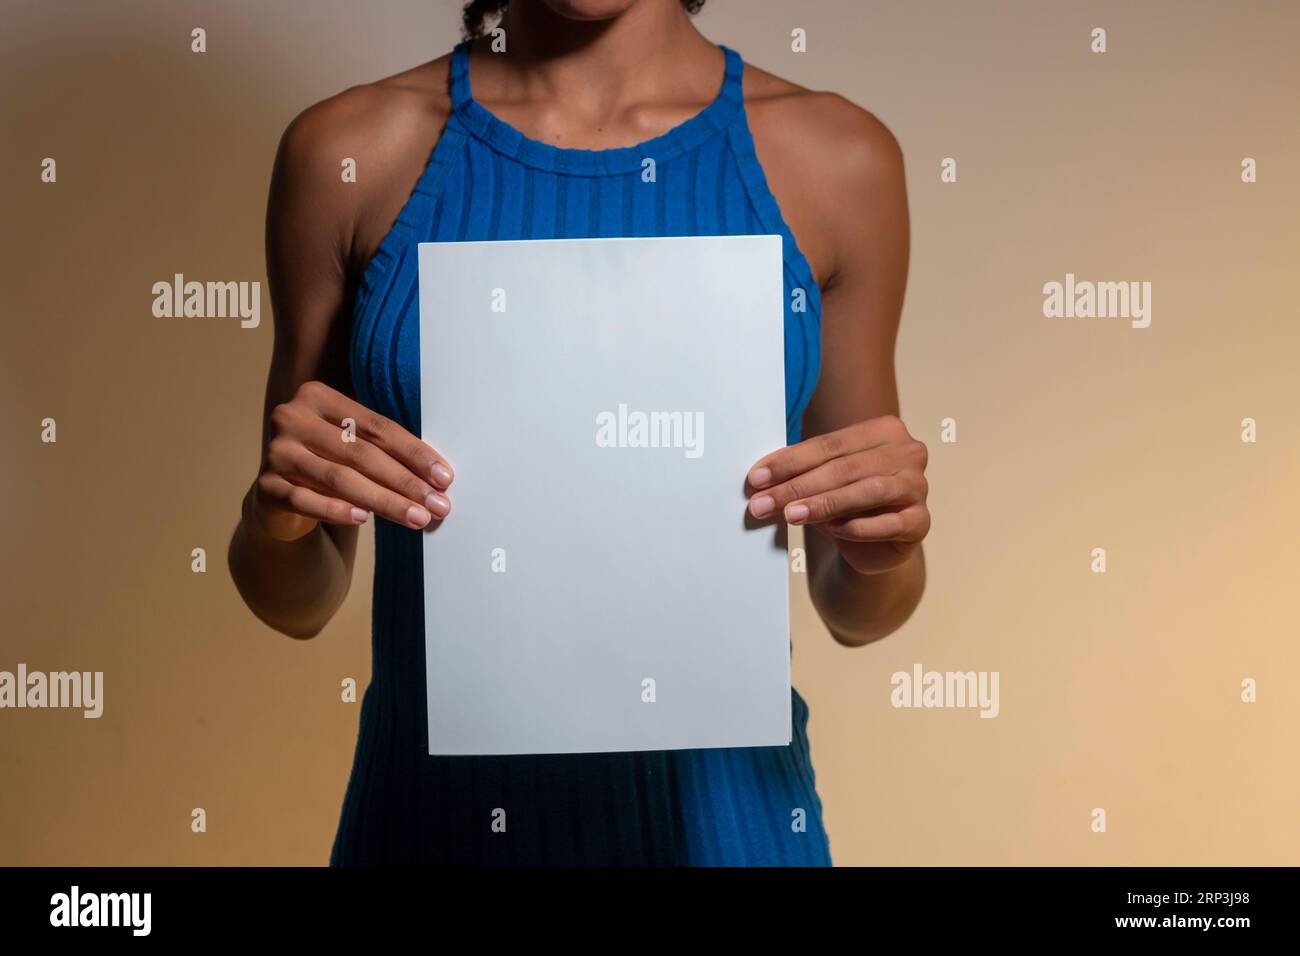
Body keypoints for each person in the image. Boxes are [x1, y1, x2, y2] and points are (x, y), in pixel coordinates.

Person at [228, 0, 930, 865]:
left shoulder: (836, 158)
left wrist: (882, 548)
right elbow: (296, 597)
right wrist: (278, 517)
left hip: (727, 833)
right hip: (432, 831)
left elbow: (857, 605)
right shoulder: (349, 152)